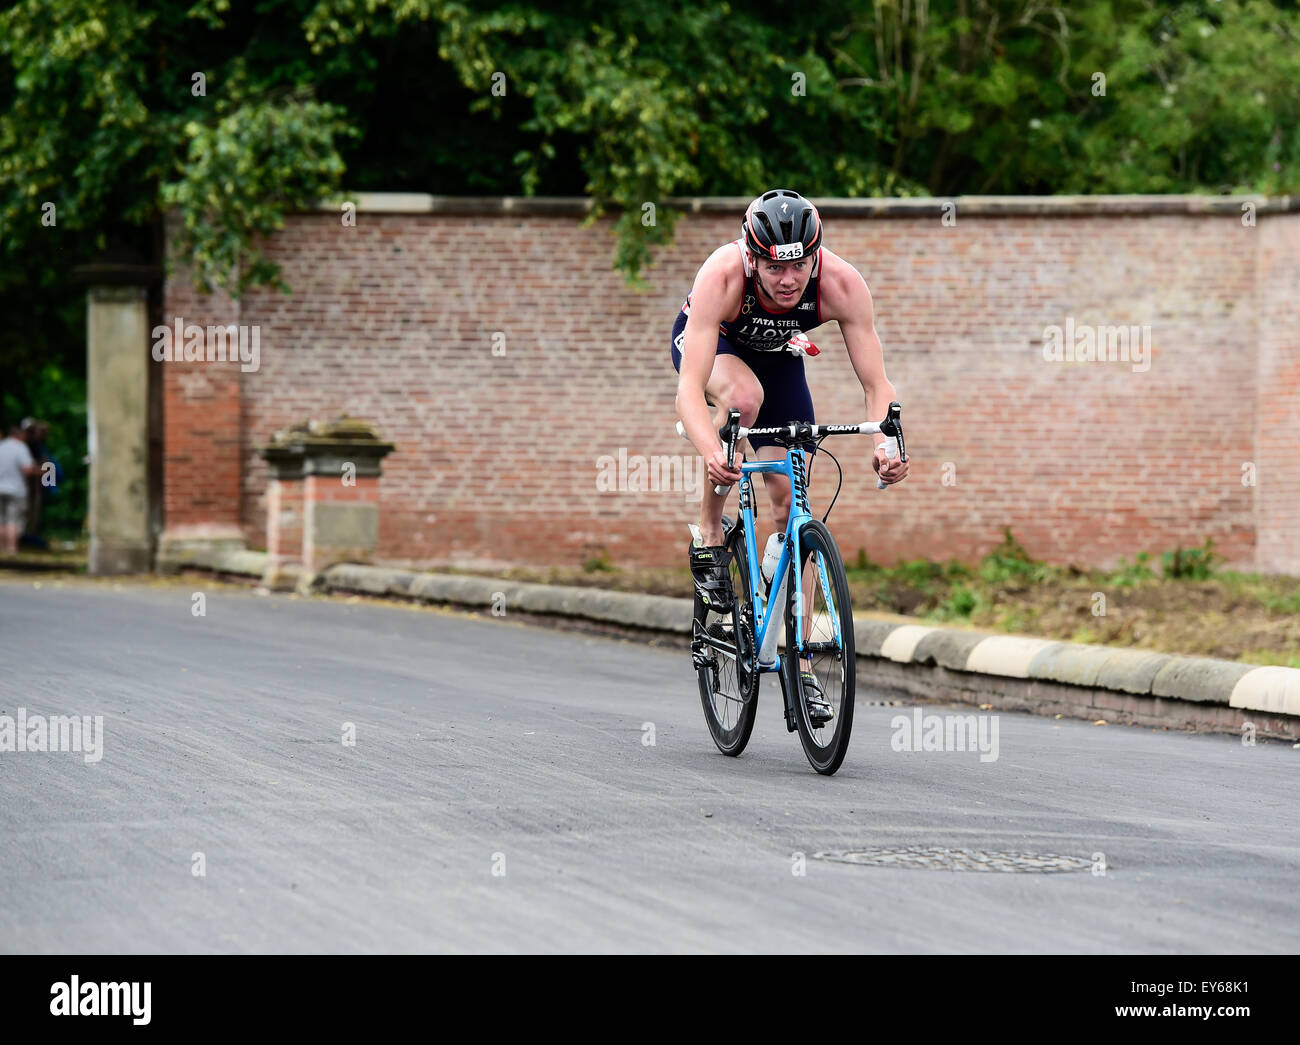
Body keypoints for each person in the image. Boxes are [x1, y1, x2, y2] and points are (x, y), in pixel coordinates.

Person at [672, 188, 909, 722]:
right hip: (716, 350)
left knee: (790, 503)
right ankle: (710, 534)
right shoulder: (723, 274)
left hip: (779, 358)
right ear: (751, 256)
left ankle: (797, 664)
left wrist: (884, 444)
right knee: (743, 400)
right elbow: (688, 391)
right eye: (776, 269)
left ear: (815, 255)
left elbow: (877, 384)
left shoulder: (842, 283)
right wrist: (712, 451)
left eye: (800, 265)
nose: (789, 280)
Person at [0, 422, 40, 555]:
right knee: (13, 519)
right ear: (20, 435)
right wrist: (42, 471)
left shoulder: (2, 446)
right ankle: (11, 548)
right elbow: (27, 469)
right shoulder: (20, 448)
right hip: (15, 490)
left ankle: (2, 548)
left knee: (1, 519)